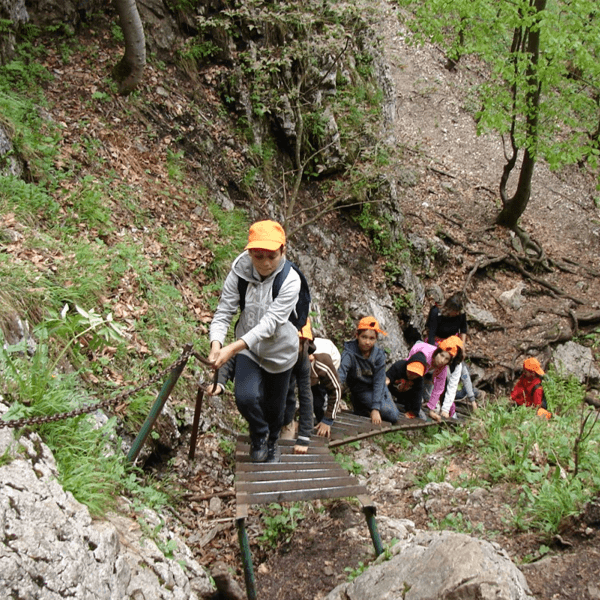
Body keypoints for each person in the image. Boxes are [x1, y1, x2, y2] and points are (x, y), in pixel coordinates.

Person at [208, 220, 300, 463]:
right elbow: (224, 311)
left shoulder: (290, 280)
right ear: (250, 253)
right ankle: (259, 434)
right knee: (245, 397)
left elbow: (270, 324)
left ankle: (272, 443)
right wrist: (216, 343)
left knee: (274, 407)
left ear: (283, 251)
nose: (266, 263)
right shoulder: (239, 272)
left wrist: (233, 347)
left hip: (281, 352)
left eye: (272, 255)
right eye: (258, 256)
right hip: (249, 350)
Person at [425, 291, 484, 410]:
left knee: (459, 371)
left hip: (453, 344)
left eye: (459, 312)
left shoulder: (460, 314)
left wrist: (462, 348)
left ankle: (471, 395)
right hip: (437, 343)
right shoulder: (437, 312)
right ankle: (431, 397)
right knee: (437, 373)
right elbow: (431, 333)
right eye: (455, 311)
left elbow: (463, 329)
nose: (457, 314)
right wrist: (434, 353)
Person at [337, 316, 400, 425]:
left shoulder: (378, 355)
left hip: (378, 387)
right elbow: (341, 374)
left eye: (372, 338)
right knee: (390, 414)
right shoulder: (349, 353)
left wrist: (375, 408)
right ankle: (361, 404)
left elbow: (379, 381)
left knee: (395, 415)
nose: (367, 342)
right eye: (364, 337)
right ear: (357, 336)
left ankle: (367, 407)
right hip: (361, 390)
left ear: (376, 339)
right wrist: (334, 396)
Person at [281, 319, 315, 454]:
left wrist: (304, 437)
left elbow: (306, 395)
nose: (297, 347)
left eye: (301, 343)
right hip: (265, 416)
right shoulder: (268, 350)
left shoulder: (302, 358)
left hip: (286, 416)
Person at [407, 336, 461, 421]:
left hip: (430, 370)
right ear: (437, 353)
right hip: (418, 354)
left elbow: (439, 387)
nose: (442, 360)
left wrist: (431, 409)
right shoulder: (425, 355)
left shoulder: (443, 367)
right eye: (442, 355)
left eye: (446, 359)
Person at [310, 338, 343, 440]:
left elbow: (336, 389)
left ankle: (325, 415)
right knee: (313, 396)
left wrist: (328, 420)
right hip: (312, 368)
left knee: (320, 392)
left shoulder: (323, 364)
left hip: (330, 359)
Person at [385, 352, 428, 417]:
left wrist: (412, 413)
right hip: (388, 397)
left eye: (415, 374)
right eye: (410, 371)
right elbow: (386, 380)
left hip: (404, 403)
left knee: (422, 417)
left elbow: (417, 398)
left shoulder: (419, 380)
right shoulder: (398, 366)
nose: (412, 375)